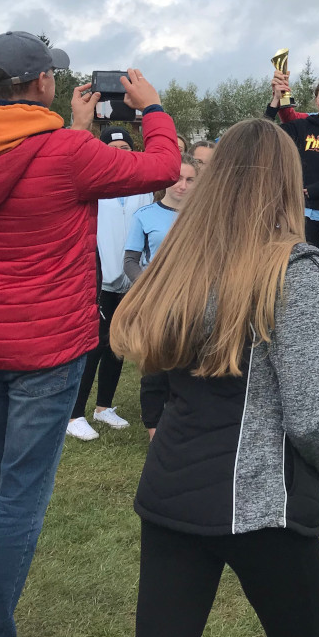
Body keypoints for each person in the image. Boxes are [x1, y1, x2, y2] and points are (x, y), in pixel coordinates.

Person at [0, 30, 177, 637]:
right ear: (43, 81)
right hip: (46, 349)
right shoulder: (67, 151)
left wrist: (73, 129)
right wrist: (151, 107)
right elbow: (161, 167)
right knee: (18, 497)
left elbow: (26, 162)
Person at [109, 118, 319, 637]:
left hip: (171, 485)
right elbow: (305, 414)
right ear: (284, 182)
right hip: (259, 500)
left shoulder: (178, 256)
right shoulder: (291, 264)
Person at [66, 126, 153, 441]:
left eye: (125, 148)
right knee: (95, 345)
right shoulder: (92, 185)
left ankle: (103, 407)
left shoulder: (142, 187)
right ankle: (74, 414)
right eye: (112, 148)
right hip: (99, 279)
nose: (119, 153)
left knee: (118, 344)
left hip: (131, 279)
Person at [125, 154, 198, 440]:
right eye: (177, 178)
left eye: (190, 180)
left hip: (193, 302)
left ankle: (185, 425)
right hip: (156, 303)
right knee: (155, 366)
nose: (182, 185)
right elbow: (130, 261)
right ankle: (155, 430)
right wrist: (149, 286)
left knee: (189, 365)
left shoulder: (203, 216)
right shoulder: (144, 215)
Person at [265, 76, 319, 246]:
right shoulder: (300, 127)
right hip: (301, 213)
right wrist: (276, 100)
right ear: (316, 100)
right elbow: (264, 132)